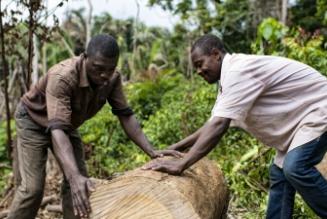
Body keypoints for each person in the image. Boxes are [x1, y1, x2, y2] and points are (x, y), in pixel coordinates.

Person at [144, 34, 327, 218]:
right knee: (279, 174)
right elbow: (212, 123)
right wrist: (175, 148)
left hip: (320, 108)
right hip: (302, 120)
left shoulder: (237, 72)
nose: (199, 71)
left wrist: (181, 164)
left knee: (295, 167)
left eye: (200, 64)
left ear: (216, 54)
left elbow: (219, 125)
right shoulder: (228, 79)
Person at [8, 34, 181, 219]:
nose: (105, 75)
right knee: (32, 189)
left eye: (110, 69)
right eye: (98, 68)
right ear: (85, 57)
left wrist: (152, 151)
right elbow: (57, 130)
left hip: (65, 124)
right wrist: (73, 177)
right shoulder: (63, 76)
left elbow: (125, 114)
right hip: (33, 120)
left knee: (79, 182)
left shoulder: (112, 79)